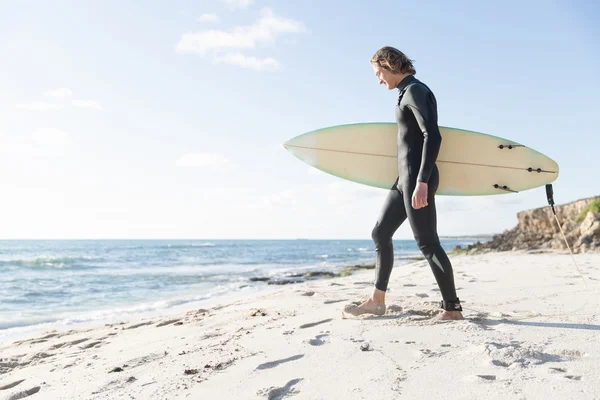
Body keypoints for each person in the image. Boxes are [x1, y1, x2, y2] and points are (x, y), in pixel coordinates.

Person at [343, 46, 464, 321]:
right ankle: (376, 301)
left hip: (417, 178)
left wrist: (422, 181)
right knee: (380, 233)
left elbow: (432, 136)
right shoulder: (405, 93)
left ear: (389, 65)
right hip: (404, 179)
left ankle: (452, 308)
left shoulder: (416, 91)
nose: (378, 80)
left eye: (378, 73)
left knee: (428, 243)